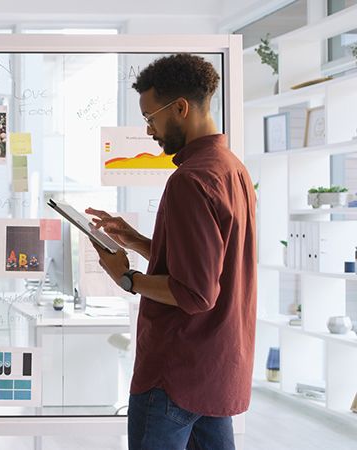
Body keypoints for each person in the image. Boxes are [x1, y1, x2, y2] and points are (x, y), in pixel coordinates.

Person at [86, 54, 256, 450]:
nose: (149, 130)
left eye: (151, 117)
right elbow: (212, 265)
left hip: (174, 375)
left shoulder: (190, 181)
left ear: (180, 108)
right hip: (215, 370)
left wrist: (126, 278)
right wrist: (139, 242)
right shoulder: (232, 170)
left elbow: (195, 293)